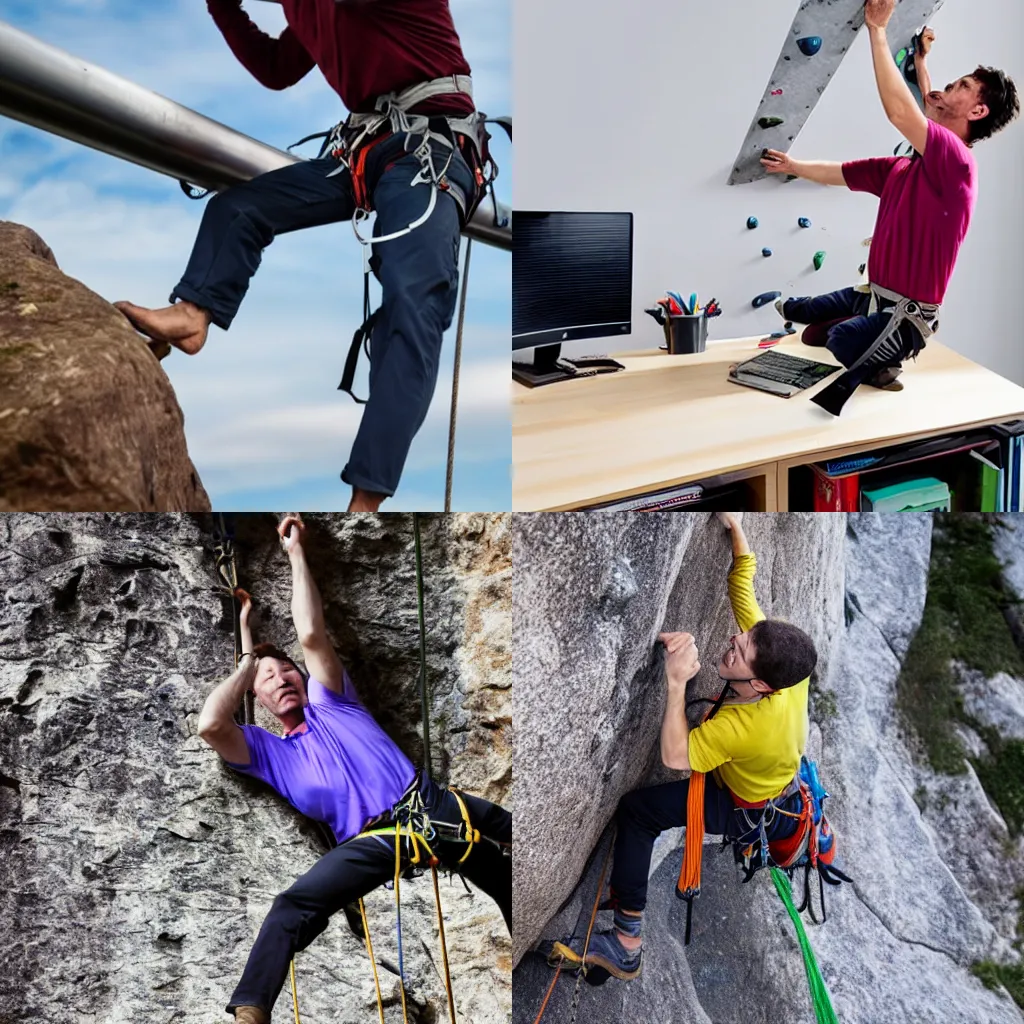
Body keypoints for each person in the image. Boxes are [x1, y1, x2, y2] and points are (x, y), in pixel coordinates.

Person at [115, 0, 492, 512]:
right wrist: (223, 9)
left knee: (412, 302)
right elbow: (277, 67)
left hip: (432, 147)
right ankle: (193, 313)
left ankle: (365, 503)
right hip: (363, 151)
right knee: (238, 207)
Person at [197, 514, 511, 1024]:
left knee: (512, 859)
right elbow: (212, 724)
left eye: (286, 670)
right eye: (267, 678)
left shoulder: (334, 702)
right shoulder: (271, 755)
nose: (280, 679)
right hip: (375, 843)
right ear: (256, 697)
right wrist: (247, 659)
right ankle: (251, 1013)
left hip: (434, 806)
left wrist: (295, 553)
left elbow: (311, 633)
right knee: (291, 906)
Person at [581, 512, 817, 980]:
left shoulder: (749, 725)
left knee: (638, 812)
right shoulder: (782, 669)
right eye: (744, 637)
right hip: (766, 779)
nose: (734, 642)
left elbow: (676, 757)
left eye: (740, 652)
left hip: (738, 804)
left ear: (762, 685)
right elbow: (744, 593)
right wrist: (738, 531)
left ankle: (627, 940)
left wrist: (675, 682)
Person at [761, 0, 1019, 414]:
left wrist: (877, 30)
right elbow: (841, 173)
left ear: (977, 110)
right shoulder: (903, 167)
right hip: (874, 295)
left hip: (906, 316)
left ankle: (887, 362)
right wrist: (793, 166)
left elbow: (902, 112)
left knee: (839, 340)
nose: (946, 87)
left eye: (961, 85)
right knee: (802, 315)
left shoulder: (956, 164)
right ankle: (856, 331)